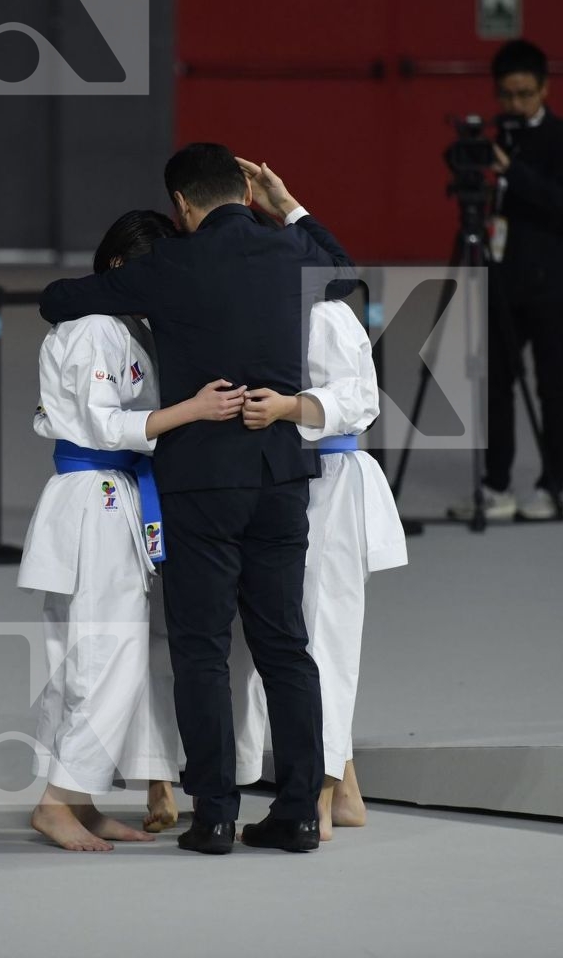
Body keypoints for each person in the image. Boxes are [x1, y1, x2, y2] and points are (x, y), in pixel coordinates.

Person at [39, 145, 354, 856]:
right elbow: (344, 272)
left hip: (199, 484)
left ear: (181, 205)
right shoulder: (289, 251)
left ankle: (213, 816)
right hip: (279, 476)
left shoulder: (169, 266)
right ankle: (300, 812)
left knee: (202, 650)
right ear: (250, 193)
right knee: (286, 647)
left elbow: (58, 301)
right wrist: (288, 201)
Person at [19, 209, 244, 852]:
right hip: (97, 495)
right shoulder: (95, 328)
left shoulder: (123, 326)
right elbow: (102, 426)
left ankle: (78, 799)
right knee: (105, 656)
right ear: (122, 266)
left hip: (102, 497)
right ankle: (57, 801)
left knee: (82, 655)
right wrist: (194, 410)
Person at [219, 290, 409, 840]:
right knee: (306, 633)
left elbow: (359, 400)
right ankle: (345, 788)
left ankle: (318, 798)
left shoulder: (324, 315)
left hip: (327, 478)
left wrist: (284, 408)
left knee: (319, 637)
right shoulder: (278, 310)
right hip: (300, 482)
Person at [450, 39, 563, 523]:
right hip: (502, 282)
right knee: (495, 384)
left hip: (552, 287)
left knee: (553, 386)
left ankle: (554, 487)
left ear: (544, 89)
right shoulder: (502, 135)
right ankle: (496, 486)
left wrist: (513, 172)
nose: (515, 104)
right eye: (507, 95)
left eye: (525, 94)